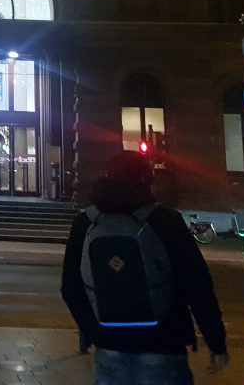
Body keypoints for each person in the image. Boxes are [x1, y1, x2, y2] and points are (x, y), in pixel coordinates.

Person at [61, 151, 229, 384]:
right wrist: (216, 342)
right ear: (146, 179)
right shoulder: (165, 220)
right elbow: (197, 285)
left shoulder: (86, 223)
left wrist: (93, 330)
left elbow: (70, 287)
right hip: (163, 343)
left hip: (109, 346)